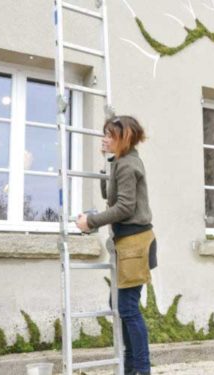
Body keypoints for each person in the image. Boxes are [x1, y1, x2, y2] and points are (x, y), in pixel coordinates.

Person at [76, 116, 154, 375]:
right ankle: (133, 367)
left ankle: (140, 370)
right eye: (105, 134)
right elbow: (111, 196)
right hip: (129, 242)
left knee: (127, 307)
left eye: (110, 135)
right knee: (120, 305)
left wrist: (91, 221)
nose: (104, 139)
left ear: (125, 138)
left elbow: (124, 207)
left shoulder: (128, 165)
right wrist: (107, 163)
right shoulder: (121, 162)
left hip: (134, 242)